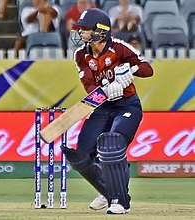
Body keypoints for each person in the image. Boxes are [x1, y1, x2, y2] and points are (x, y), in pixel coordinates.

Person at [61, 8, 153, 215]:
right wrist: (106, 89)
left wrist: (129, 71)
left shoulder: (120, 48)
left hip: (127, 105)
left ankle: (120, 201)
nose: (80, 32)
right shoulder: (80, 55)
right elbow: (88, 85)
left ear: (100, 31)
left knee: (113, 143)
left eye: (85, 29)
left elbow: (147, 69)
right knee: (82, 156)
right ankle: (108, 189)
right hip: (102, 106)